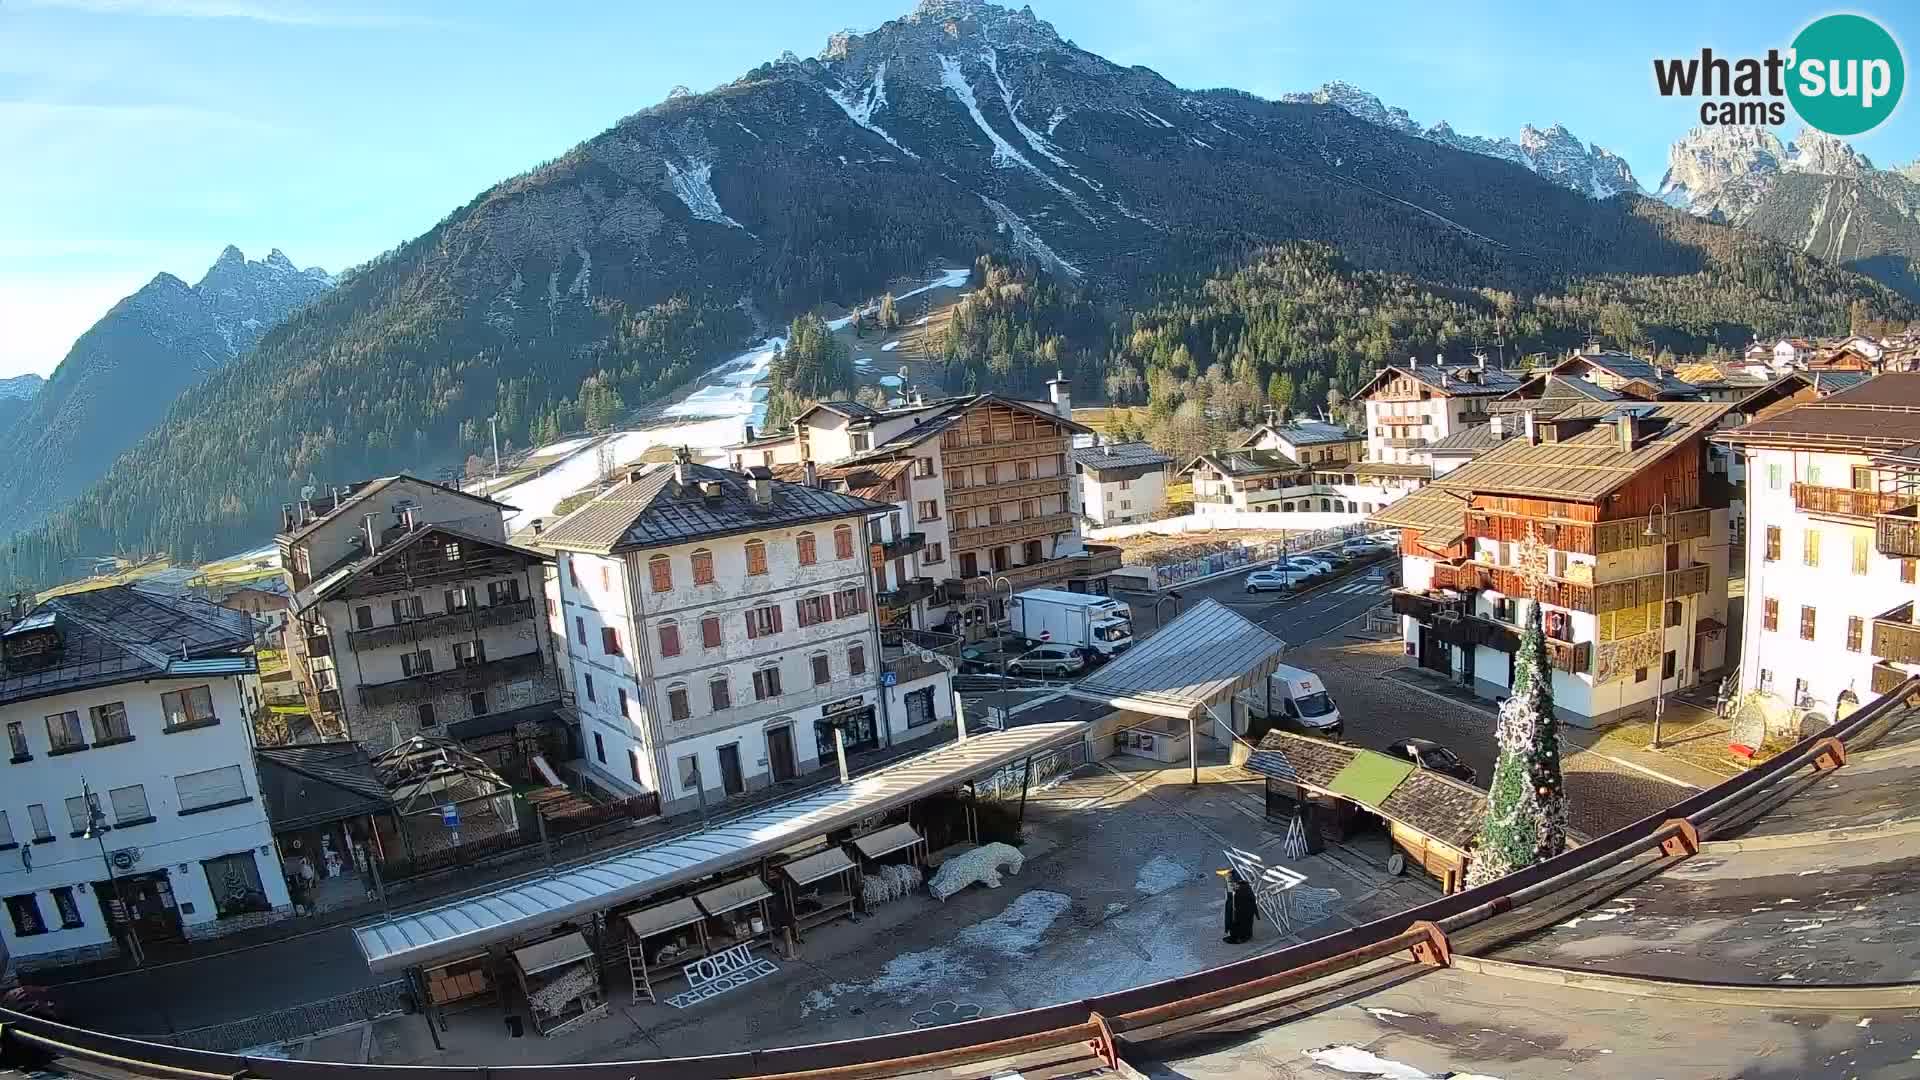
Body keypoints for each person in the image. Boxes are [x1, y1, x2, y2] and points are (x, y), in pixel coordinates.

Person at [1221, 868, 1256, 944]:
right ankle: (1243, 935)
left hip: (1239, 903)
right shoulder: (1246, 890)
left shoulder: (1238, 890)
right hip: (1242, 899)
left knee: (1236, 913)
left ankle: (1240, 936)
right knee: (1236, 910)